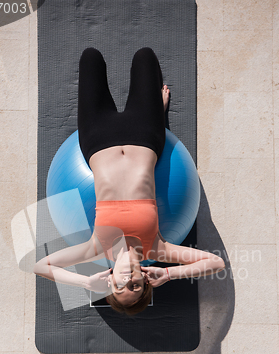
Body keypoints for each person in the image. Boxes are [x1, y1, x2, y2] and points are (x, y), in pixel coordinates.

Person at [34, 47, 225, 315]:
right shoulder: (159, 249)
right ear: (145, 281)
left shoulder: (96, 248)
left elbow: (41, 266)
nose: (127, 282)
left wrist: (86, 281)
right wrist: (170, 275)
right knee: (144, 56)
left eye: (119, 288)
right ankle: (159, 112)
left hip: (97, 137)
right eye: (135, 287)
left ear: (109, 281)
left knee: (91, 57)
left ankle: (158, 111)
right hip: (145, 134)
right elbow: (215, 263)